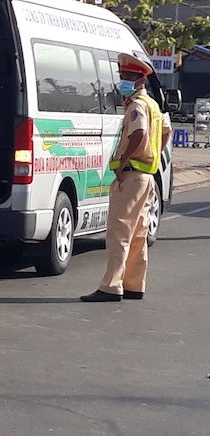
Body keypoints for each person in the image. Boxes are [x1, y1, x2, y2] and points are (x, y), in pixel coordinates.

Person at [80, 52, 171, 303]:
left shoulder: (137, 105)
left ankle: (111, 286)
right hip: (147, 177)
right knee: (139, 233)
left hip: (131, 176)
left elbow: (139, 133)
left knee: (119, 232)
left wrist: (123, 162)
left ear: (140, 80)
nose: (123, 81)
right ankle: (134, 284)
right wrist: (153, 153)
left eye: (128, 77)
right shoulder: (153, 105)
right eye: (122, 76)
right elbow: (166, 132)